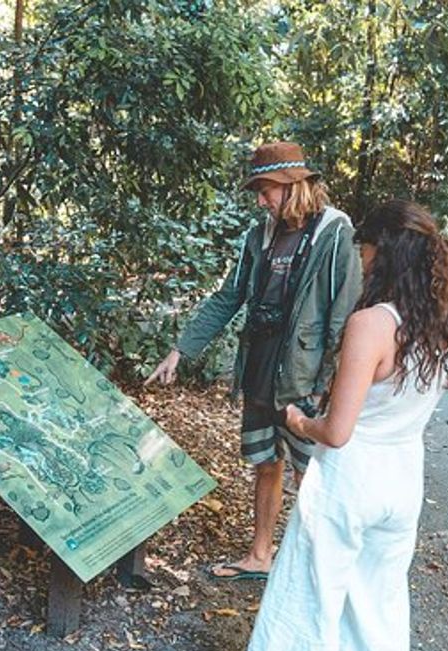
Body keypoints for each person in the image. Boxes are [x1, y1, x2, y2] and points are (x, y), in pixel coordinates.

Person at [242, 200, 448, 651]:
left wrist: (299, 419)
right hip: (403, 477)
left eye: (366, 251)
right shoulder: (444, 322)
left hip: (352, 479)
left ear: (385, 254)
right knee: (384, 594)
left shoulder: (372, 324)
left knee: (318, 588)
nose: (363, 263)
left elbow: (339, 430)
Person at [145, 141, 362, 580]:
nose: (261, 200)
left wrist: (328, 382)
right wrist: (180, 349)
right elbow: (230, 296)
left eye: (266, 190)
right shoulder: (260, 234)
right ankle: (260, 556)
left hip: (304, 375)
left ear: (293, 186)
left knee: (311, 472)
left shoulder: (335, 230)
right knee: (267, 462)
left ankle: (319, 568)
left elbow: (344, 311)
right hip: (261, 362)